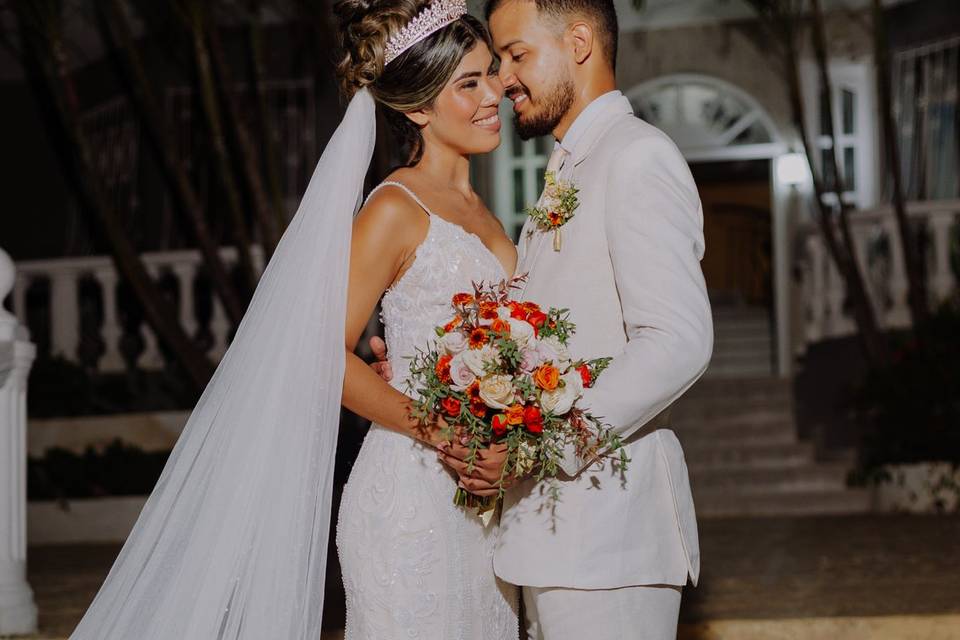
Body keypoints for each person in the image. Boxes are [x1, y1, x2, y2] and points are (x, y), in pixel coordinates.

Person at [68, 1, 520, 638]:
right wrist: (440, 429)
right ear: (417, 108)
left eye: (492, 74)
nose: (493, 94)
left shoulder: (485, 212)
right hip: (412, 497)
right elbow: (322, 354)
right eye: (468, 83)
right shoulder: (395, 206)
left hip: (485, 497)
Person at [373, 1, 713, 638]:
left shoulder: (636, 156)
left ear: (578, 43)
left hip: (611, 541)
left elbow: (678, 340)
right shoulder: (568, 166)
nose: (503, 80)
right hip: (554, 542)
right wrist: (445, 372)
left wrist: (538, 449)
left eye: (517, 55)